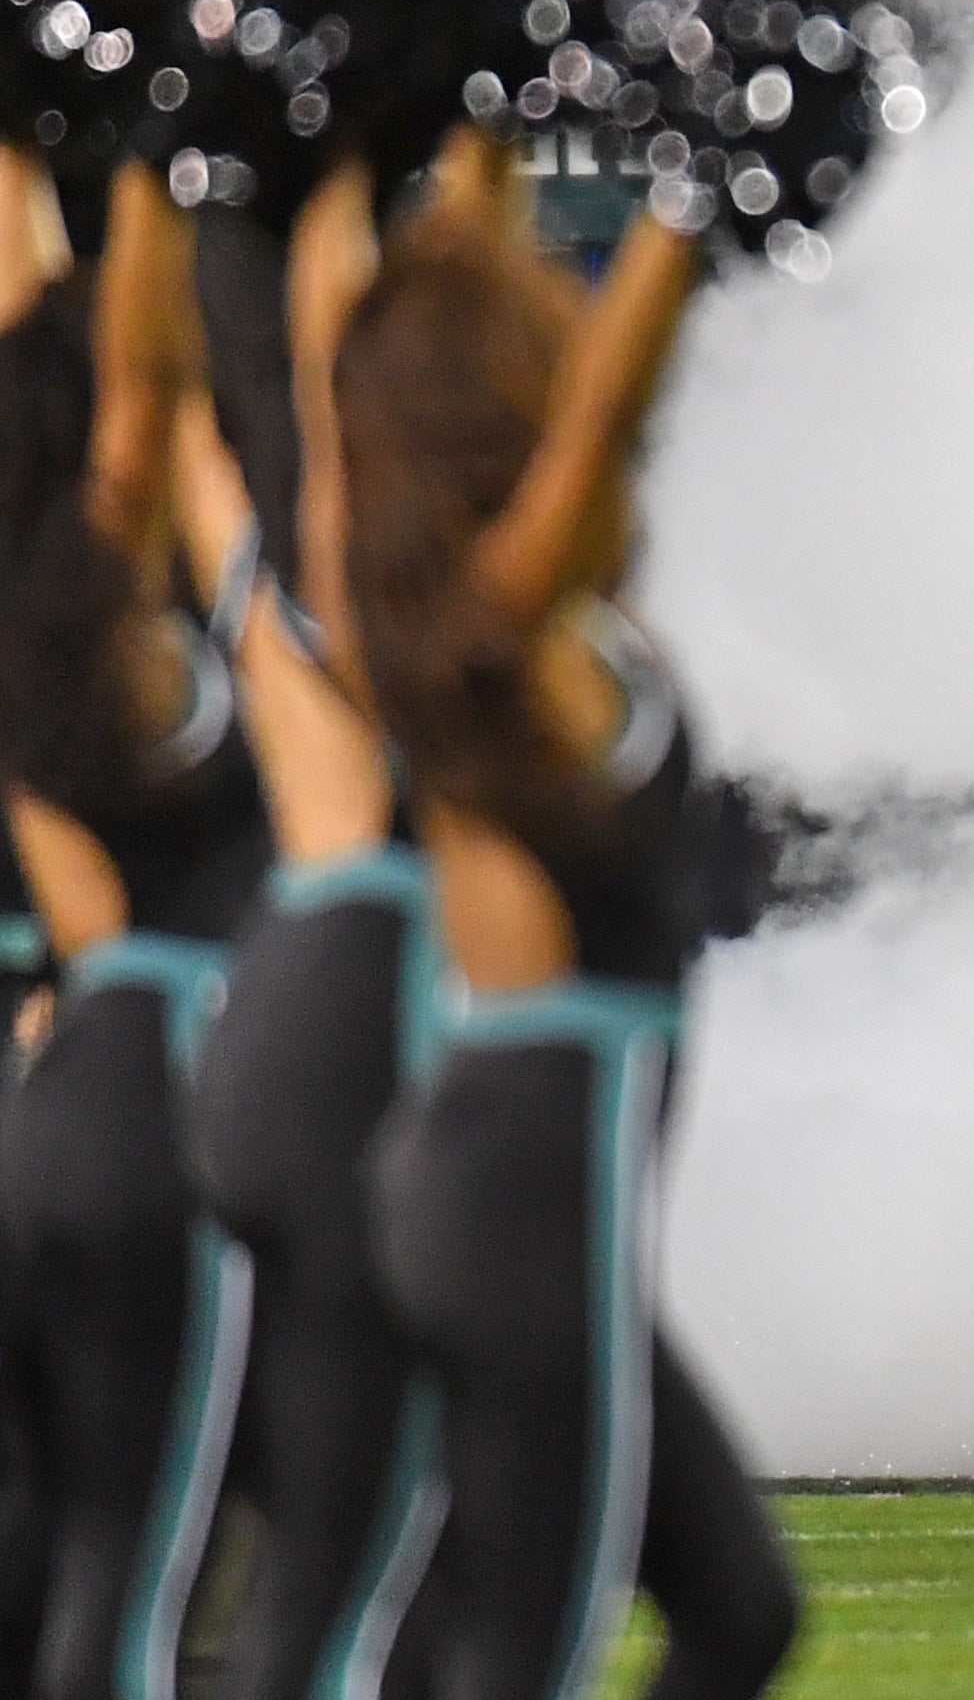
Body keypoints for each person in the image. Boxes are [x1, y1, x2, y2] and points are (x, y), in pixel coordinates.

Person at [334, 134, 799, 1700]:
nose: (560, 287)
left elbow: (437, 319)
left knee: (737, 1613)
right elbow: (607, 414)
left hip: (490, 1184)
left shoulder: (438, 594)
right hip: (530, 1186)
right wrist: (702, 179)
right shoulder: (498, 609)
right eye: (541, 289)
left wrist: (464, 126)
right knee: (522, 1652)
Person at [0, 154, 276, 1700]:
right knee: (145, 1571)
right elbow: (143, 387)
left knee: (49, 1551)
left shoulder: (34, 610)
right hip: (136, 1093)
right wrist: (152, 136)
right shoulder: (99, 623)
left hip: (52, 1083)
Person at [174, 149, 447, 1700]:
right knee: (349, 1599)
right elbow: (313, 427)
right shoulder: (395, 605)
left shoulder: (237, 585)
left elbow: (189, 423)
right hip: (357, 1056)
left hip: (249, 1046)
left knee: (201, 1564)